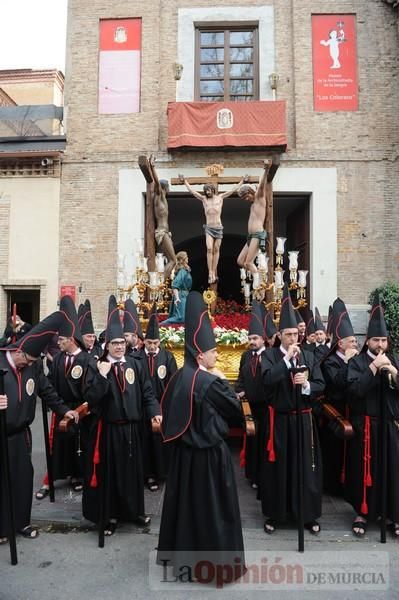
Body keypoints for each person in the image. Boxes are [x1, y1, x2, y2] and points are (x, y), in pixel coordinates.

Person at [157, 291, 246, 584]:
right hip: (210, 458)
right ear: (200, 355)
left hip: (184, 458)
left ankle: (184, 561)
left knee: (187, 510)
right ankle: (216, 567)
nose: (217, 355)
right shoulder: (210, 382)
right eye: (213, 352)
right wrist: (222, 379)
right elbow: (234, 410)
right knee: (213, 512)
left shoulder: (178, 378)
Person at [82, 295, 161, 536]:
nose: (119, 346)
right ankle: (111, 516)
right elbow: (92, 398)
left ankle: (134, 511)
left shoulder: (135, 365)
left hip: (133, 429)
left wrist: (155, 413)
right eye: (114, 343)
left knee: (133, 473)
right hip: (109, 430)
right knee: (112, 474)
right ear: (107, 345)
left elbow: (147, 392)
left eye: (121, 342)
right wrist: (103, 376)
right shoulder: (97, 366)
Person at [0, 312, 77, 544]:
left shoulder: (31, 367)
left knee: (23, 478)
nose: (32, 365)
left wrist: (64, 410)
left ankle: (21, 522)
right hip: (1, 434)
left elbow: (46, 391)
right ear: (19, 352)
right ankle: (2, 528)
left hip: (22, 434)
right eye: (30, 361)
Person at [259, 284, 325, 535]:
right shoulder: (272, 356)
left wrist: (306, 384)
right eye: (288, 335)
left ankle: (307, 515)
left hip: (304, 421)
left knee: (305, 469)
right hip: (281, 421)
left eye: (295, 335)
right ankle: (277, 515)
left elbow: (321, 383)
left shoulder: (308, 357)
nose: (293, 339)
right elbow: (266, 381)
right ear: (280, 335)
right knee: (279, 470)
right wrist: (286, 362)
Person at [345, 297, 399, 537]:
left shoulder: (394, 360)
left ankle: (393, 514)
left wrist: (393, 373)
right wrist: (373, 368)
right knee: (365, 471)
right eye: (376, 340)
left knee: (393, 470)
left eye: (383, 340)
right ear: (368, 340)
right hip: (366, 426)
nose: (380, 345)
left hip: (390, 425)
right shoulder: (357, 362)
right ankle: (363, 513)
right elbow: (355, 390)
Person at [35, 295, 92, 500]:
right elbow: (49, 382)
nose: (57, 342)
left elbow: (90, 389)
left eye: (61, 339)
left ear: (71, 340)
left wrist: (80, 410)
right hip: (61, 408)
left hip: (79, 410)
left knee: (78, 445)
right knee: (57, 444)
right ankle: (52, 477)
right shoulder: (58, 358)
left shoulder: (86, 360)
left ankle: (77, 475)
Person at [319, 298, 358, 496]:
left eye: (355, 340)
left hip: (353, 412)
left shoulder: (355, 360)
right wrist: (349, 363)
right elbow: (337, 383)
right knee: (334, 453)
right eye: (351, 341)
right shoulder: (331, 362)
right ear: (340, 343)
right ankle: (332, 486)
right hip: (335, 414)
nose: (355, 344)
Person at [138, 305, 177, 491]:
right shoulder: (136, 358)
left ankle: (163, 472)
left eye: (155, 343)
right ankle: (149, 475)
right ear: (144, 342)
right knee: (146, 442)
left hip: (163, 406)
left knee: (162, 442)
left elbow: (173, 381)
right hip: (142, 408)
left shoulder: (167, 357)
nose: (152, 347)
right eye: (149, 343)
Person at [179, 174, 244, 284]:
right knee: (209, 249)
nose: (207, 192)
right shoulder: (204, 199)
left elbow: (232, 190)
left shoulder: (220, 198)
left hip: (218, 227)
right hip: (209, 228)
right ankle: (210, 272)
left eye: (208, 190)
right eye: (206, 191)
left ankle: (214, 271)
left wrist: (242, 181)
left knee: (216, 249)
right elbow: (193, 192)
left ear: (213, 190)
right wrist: (185, 181)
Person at [235, 301, 268, 489]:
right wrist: (239, 390)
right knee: (252, 441)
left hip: (266, 407)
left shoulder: (270, 355)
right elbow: (241, 377)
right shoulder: (246, 356)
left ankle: (263, 475)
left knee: (264, 442)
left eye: (255, 338)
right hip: (250, 407)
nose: (252, 341)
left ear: (263, 339)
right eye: (250, 338)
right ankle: (252, 474)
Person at [237, 162, 269, 275]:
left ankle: (260, 286)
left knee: (249, 263)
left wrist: (266, 170)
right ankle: (257, 275)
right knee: (240, 261)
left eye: (247, 196)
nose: (246, 199)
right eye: (244, 198)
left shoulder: (259, 198)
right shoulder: (252, 204)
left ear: (251, 192)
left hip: (257, 234)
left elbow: (261, 186)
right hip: (250, 236)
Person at [151, 158, 176, 279]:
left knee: (166, 259)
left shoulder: (163, 200)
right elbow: (156, 183)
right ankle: (159, 284)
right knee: (173, 260)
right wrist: (153, 168)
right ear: (165, 187)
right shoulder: (159, 197)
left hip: (165, 232)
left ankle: (160, 282)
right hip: (161, 232)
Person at [160, 251, 192, 325]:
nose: (188, 258)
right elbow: (175, 285)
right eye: (186, 257)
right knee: (180, 317)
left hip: (185, 296)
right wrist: (177, 298)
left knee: (184, 318)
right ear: (183, 259)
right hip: (181, 296)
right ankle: (159, 326)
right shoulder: (182, 271)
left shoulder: (185, 271)